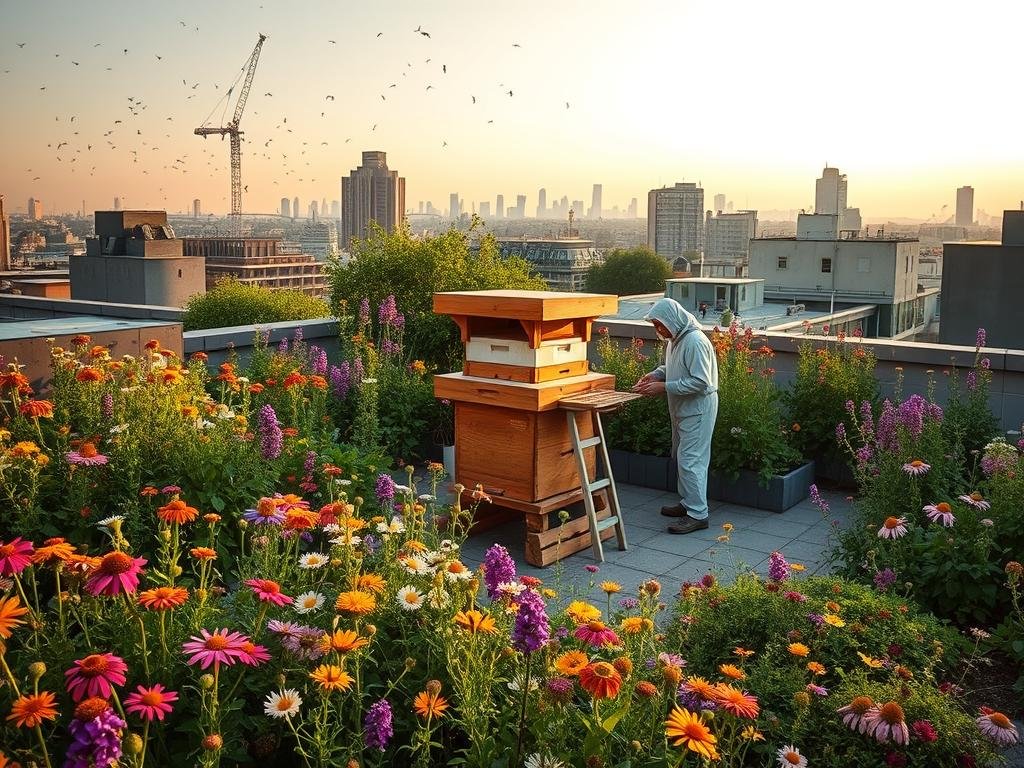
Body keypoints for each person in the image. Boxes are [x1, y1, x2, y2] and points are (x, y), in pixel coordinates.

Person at [632, 297, 719, 534]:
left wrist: (664, 387)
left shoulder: (694, 341)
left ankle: (698, 514)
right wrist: (656, 375)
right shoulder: (677, 339)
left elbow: (701, 382)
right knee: (682, 456)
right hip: (685, 408)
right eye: (656, 325)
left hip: (698, 409)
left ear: (672, 319)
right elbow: (675, 368)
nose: (659, 330)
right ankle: (689, 503)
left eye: (661, 324)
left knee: (692, 460)